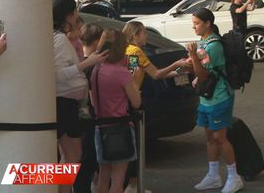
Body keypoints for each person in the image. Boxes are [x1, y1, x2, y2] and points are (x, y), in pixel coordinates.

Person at [122, 21, 187, 193]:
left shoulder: (126, 51)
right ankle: (133, 184)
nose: (146, 35)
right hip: (133, 101)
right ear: (134, 35)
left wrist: (177, 72)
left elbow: (140, 73)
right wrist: (177, 65)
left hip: (122, 101)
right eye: (143, 32)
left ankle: (129, 183)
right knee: (135, 144)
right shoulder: (136, 51)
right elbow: (156, 74)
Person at [53, 0, 107, 193]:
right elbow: (57, 74)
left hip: (67, 102)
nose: (77, 16)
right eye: (74, 12)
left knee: (69, 155)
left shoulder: (57, 37)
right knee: (72, 155)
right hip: (65, 103)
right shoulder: (59, 39)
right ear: (67, 15)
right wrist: (88, 63)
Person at [186, 8, 242, 193]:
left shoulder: (214, 45)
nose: (193, 26)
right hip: (207, 98)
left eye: (196, 23)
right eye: (193, 23)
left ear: (207, 23)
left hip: (219, 97)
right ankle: (213, 175)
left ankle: (234, 177)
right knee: (210, 137)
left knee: (220, 137)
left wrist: (193, 57)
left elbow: (203, 74)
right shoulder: (204, 42)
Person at [91, 28, 141, 193]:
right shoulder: (121, 72)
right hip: (120, 128)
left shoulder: (96, 69)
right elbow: (136, 102)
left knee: (103, 176)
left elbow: (93, 100)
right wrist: (133, 81)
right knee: (118, 179)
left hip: (100, 126)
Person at [73, 23, 104, 193]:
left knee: (73, 160)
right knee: (87, 162)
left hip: (72, 115)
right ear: (98, 40)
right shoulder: (93, 65)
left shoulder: (76, 60)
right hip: (90, 118)